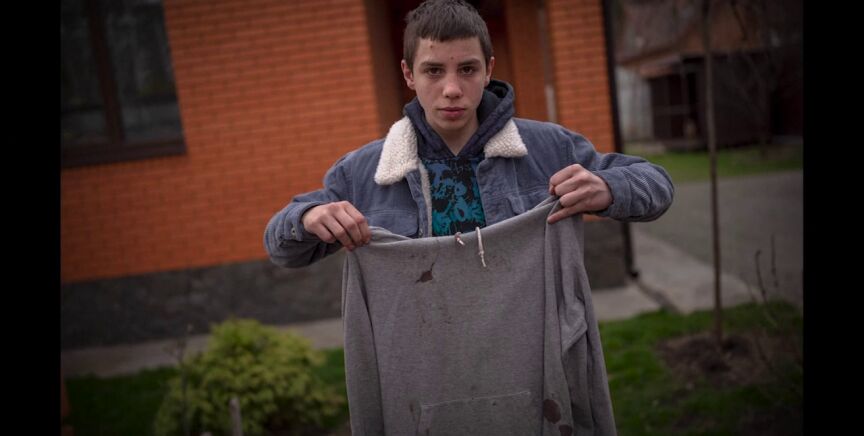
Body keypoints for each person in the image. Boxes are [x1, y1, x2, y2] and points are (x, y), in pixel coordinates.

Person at [264, 0, 674, 269]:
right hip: (426, 364)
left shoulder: (548, 147)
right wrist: (307, 217)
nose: (452, 89)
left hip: (531, 357)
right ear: (409, 74)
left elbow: (657, 185)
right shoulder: (363, 171)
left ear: (488, 69)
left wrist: (608, 187)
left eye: (467, 69)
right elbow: (283, 250)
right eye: (433, 71)